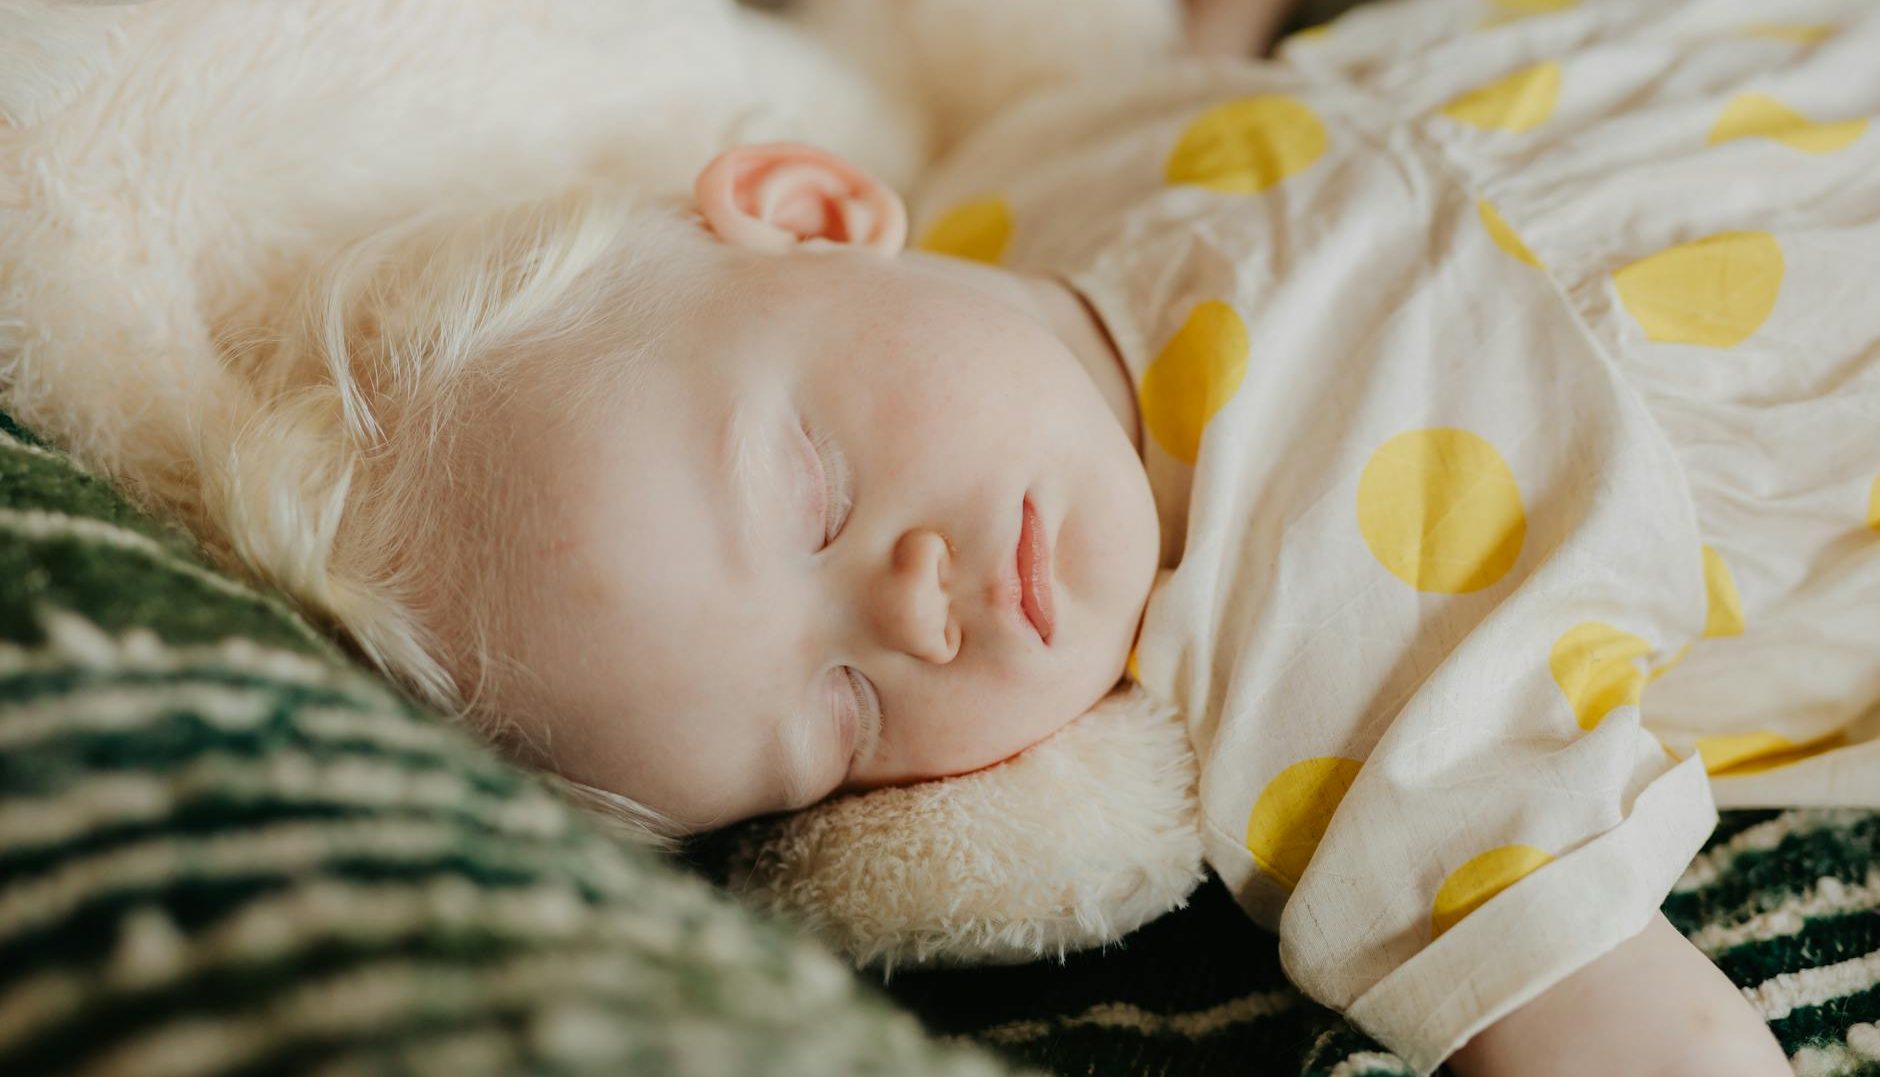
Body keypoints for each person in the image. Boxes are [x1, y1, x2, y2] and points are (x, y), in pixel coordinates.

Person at [246, 0, 1877, 1072]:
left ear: (815, 217)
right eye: (842, 716)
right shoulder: (1322, 696)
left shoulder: (1019, 170)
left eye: (815, 490)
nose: (918, 612)